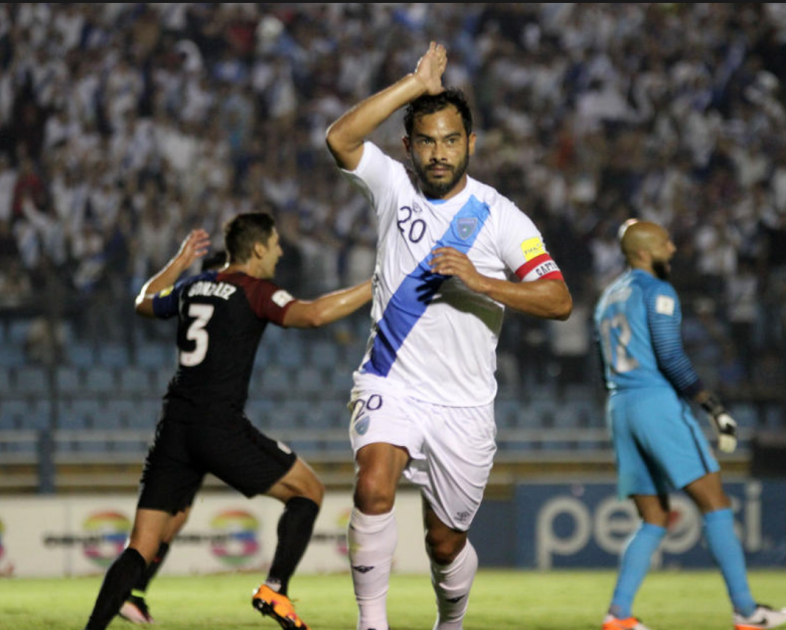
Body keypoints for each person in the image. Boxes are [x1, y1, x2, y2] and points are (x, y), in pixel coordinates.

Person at [325, 42, 573, 630]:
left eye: (451, 140)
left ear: (471, 143)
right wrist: (414, 85)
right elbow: (340, 138)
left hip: (464, 404)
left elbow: (559, 300)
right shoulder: (392, 187)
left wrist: (480, 279)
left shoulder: (500, 217)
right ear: (409, 147)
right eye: (427, 142)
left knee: (444, 543)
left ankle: (451, 622)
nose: (440, 154)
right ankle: (371, 623)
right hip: (390, 381)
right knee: (375, 483)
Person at [84, 212, 372, 630]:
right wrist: (375, 284)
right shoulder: (254, 290)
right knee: (307, 491)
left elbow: (143, 301)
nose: (280, 250)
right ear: (257, 249)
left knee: (140, 546)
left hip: (175, 427)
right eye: (275, 243)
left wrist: (181, 262)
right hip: (217, 424)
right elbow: (312, 315)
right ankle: (275, 588)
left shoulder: (193, 285)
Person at [593, 219, 786, 630]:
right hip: (655, 402)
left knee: (653, 518)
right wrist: (711, 405)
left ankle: (618, 615)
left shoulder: (606, 298)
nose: (673, 248)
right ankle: (747, 612)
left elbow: (603, 367)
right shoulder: (658, 290)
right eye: (666, 242)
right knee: (715, 503)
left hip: (619, 406)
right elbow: (670, 356)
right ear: (645, 251)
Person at [117, 246, 228, 625]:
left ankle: (133, 590)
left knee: (175, 516)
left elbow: (146, 301)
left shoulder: (192, 294)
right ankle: (126, 587)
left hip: (192, 417)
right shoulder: (228, 297)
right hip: (196, 420)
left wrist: (179, 266)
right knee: (163, 518)